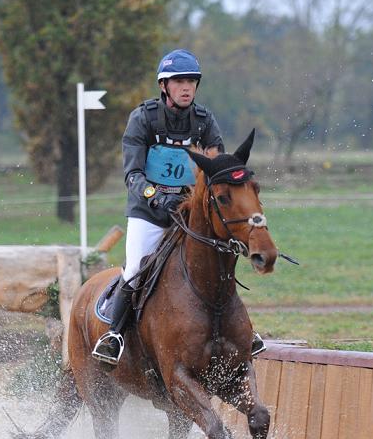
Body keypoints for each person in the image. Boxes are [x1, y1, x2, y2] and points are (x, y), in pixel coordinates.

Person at [92, 48, 265, 365]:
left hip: (190, 214)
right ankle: (114, 335)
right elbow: (132, 175)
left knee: (221, 261)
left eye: (191, 81)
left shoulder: (204, 121)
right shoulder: (143, 119)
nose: (186, 87)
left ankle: (240, 333)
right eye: (179, 81)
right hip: (149, 213)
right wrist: (156, 196)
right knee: (133, 270)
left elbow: (219, 170)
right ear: (164, 86)